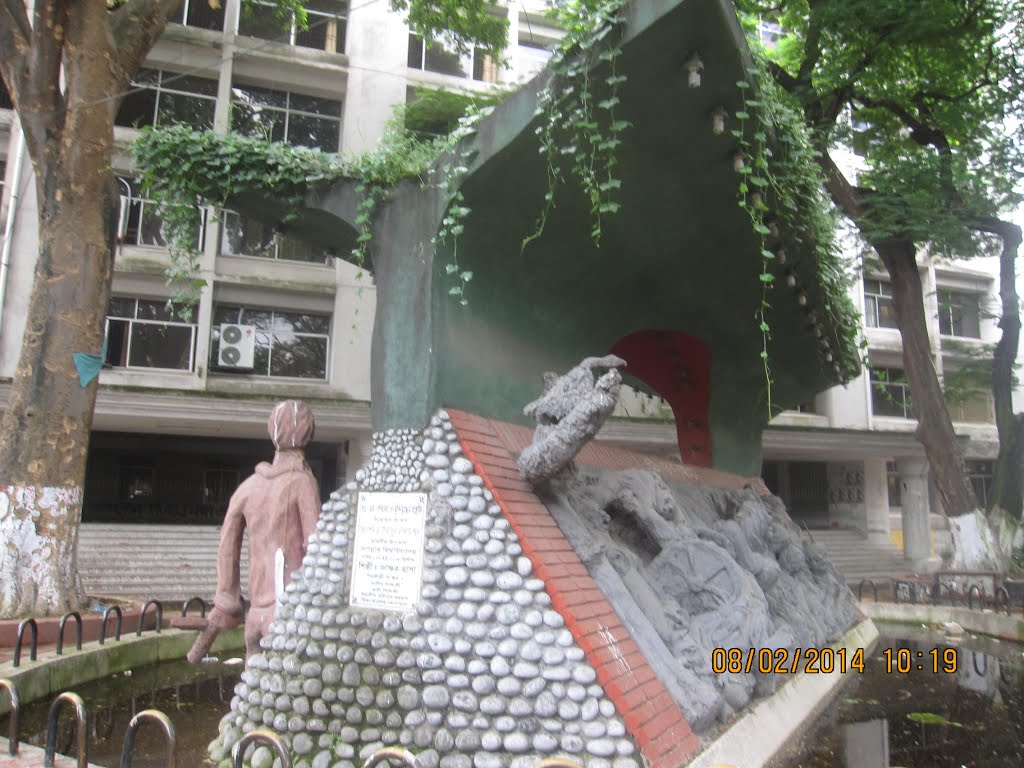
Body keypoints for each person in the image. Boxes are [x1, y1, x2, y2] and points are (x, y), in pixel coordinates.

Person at [188, 400, 321, 660]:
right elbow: (317, 548)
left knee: (252, 692)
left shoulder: (248, 488)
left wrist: (226, 598)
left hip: (255, 615)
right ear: (308, 434)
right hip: (288, 612)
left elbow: (227, 547)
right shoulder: (303, 483)